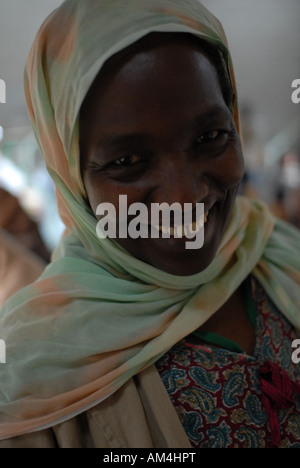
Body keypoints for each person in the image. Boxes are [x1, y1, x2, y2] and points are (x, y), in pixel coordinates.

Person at [0, 0, 299, 449]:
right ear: (70, 176)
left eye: (210, 137)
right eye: (127, 162)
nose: (185, 197)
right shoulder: (29, 370)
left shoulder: (280, 254)